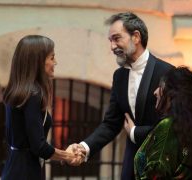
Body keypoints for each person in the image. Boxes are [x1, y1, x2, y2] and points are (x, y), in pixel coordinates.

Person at [67, 12, 174, 179]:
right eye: (110, 40)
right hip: (131, 163)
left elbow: (174, 126)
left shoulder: (168, 73)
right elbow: (111, 124)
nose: (112, 46)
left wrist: (135, 132)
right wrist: (84, 147)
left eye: (117, 38)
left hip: (162, 164)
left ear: (136, 37)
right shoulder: (119, 76)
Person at [1, 35, 82, 180]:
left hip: (15, 167)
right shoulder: (33, 94)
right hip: (25, 172)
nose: (55, 62)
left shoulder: (19, 90)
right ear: (37, 62)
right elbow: (39, 146)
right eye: (52, 57)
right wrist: (68, 156)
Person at [124, 66, 192, 179]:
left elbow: (155, 174)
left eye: (161, 86)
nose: (155, 92)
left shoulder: (168, 126)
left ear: (173, 94)